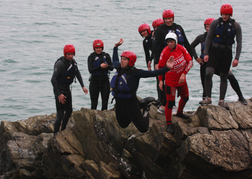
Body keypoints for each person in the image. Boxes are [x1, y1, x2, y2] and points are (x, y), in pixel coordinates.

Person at [110, 38, 174, 133]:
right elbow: (114, 60)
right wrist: (115, 47)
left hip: (130, 103)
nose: (122, 61)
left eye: (125, 59)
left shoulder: (136, 73)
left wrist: (167, 68)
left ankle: (146, 108)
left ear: (131, 61)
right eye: (122, 59)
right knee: (123, 125)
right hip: (119, 102)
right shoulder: (119, 68)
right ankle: (141, 104)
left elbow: (153, 73)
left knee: (143, 129)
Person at [191, 18, 247, 105]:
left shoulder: (219, 37)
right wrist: (196, 58)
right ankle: (205, 104)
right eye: (206, 26)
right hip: (205, 64)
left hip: (217, 63)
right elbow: (191, 47)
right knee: (205, 84)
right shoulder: (201, 37)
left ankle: (240, 96)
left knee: (230, 76)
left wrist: (230, 62)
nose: (208, 28)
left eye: (210, 26)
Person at [199, 4, 245, 109]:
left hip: (227, 53)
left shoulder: (235, 26)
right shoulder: (215, 23)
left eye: (227, 14)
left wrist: (237, 58)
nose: (224, 16)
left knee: (224, 76)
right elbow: (209, 39)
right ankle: (208, 98)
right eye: (223, 14)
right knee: (208, 73)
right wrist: (206, 53)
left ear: (230, 14)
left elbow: (239, 42)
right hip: (214, 52)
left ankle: (221, 100)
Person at [153, 9, 193, 114]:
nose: (168, 21)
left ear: (173, 18)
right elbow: (155, 46)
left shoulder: (178, 28)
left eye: (170, 18)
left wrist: (193, 57)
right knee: (163, 83)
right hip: (164, 59)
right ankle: (163, 104)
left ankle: (174, 106)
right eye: (166, 19)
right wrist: (156, 61)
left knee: (178, 83)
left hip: (178, 60)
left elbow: (187, 43)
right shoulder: (160, 30)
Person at [158, 32, 193, 133]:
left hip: (181, 80)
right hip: (170, 82)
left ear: (176, 41)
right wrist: (161, 81)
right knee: (170, 103)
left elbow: (190, 61)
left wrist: (184, 73)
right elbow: (160, 67)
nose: (170, 44)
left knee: (185, 97)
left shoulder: (181, 48)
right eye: (168, 42)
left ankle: (180, 112)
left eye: (172, 41)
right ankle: (169, 123)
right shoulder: (165, 52)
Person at [51, 44, 88, 135]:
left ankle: (63, 130)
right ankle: (55, 135)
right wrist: (59, 94)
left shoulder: (73, 62)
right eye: (68, 54)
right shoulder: (60, 64)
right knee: (60, 115)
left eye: (72, 54)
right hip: (59, 90)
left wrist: (83, 86)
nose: (70, 56)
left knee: (69, 111)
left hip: (67, 89)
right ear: (65, 54)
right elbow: (53, 79)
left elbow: (77, 73)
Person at [87, 39, 113, 110]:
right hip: (94, 82)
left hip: (105, 81)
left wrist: (107, 66)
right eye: (97, 48)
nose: (98, 49)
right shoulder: (91, 57)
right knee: (94, 103)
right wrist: (100, 67)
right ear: (94, 48)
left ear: (102, 48)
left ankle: (103, 119)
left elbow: (112, 68)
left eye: (100, 48)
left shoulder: (106, 56)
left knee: (105, 103)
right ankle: (92, 119)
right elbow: (90, 70)